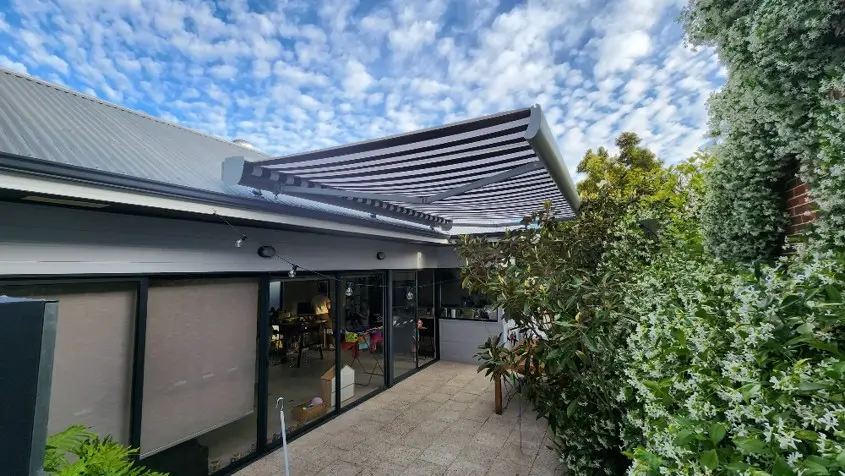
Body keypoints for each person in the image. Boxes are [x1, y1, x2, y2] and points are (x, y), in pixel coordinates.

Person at [312, 282, 333, 350]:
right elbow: (329, 307)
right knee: (329, 329)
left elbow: (311, 307)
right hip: (325, 315)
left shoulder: (314, 298)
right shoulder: (325, 298)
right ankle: (330, 344)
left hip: (317, 316)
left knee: (320, 330)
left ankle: (320, 344)